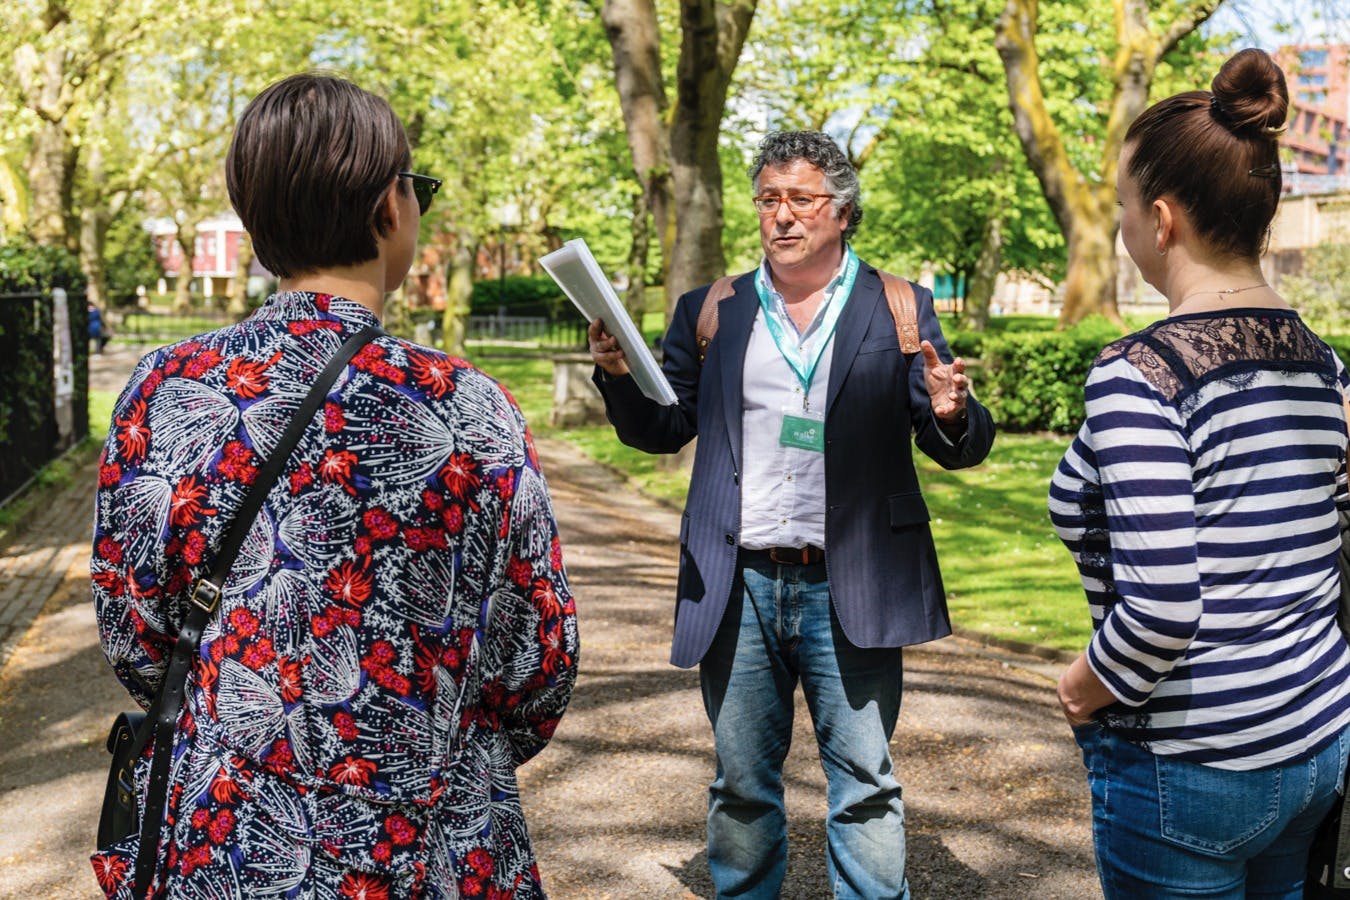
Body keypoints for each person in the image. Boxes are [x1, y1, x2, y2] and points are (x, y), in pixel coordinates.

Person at [89, 73, 578, 899]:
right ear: (391, 207)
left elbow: (136, 628)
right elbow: (536, 657)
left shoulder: (169, 390)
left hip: (230, 839)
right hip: (432, 833)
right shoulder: (466, 407)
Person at [588, 130, 995, 899]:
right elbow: (663, 427)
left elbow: (958, 447)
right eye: (768, 200)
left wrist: (950, 410)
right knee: (741, 783)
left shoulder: (901, 306)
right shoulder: (714, 309)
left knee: (865, 781)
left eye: (800, 200)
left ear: (842, 211)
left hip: (854, 582)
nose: (781, 217)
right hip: (739, 583)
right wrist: (618, 377)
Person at [1049, 48, 1350, 899]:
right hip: (1314, 740)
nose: (1121, 229)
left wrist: (1083, 686)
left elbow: (1165, 605)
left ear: (1164, 219)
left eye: (1120, 210)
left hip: (1192, 764)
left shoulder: (1138, 373)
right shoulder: (1321, 362)